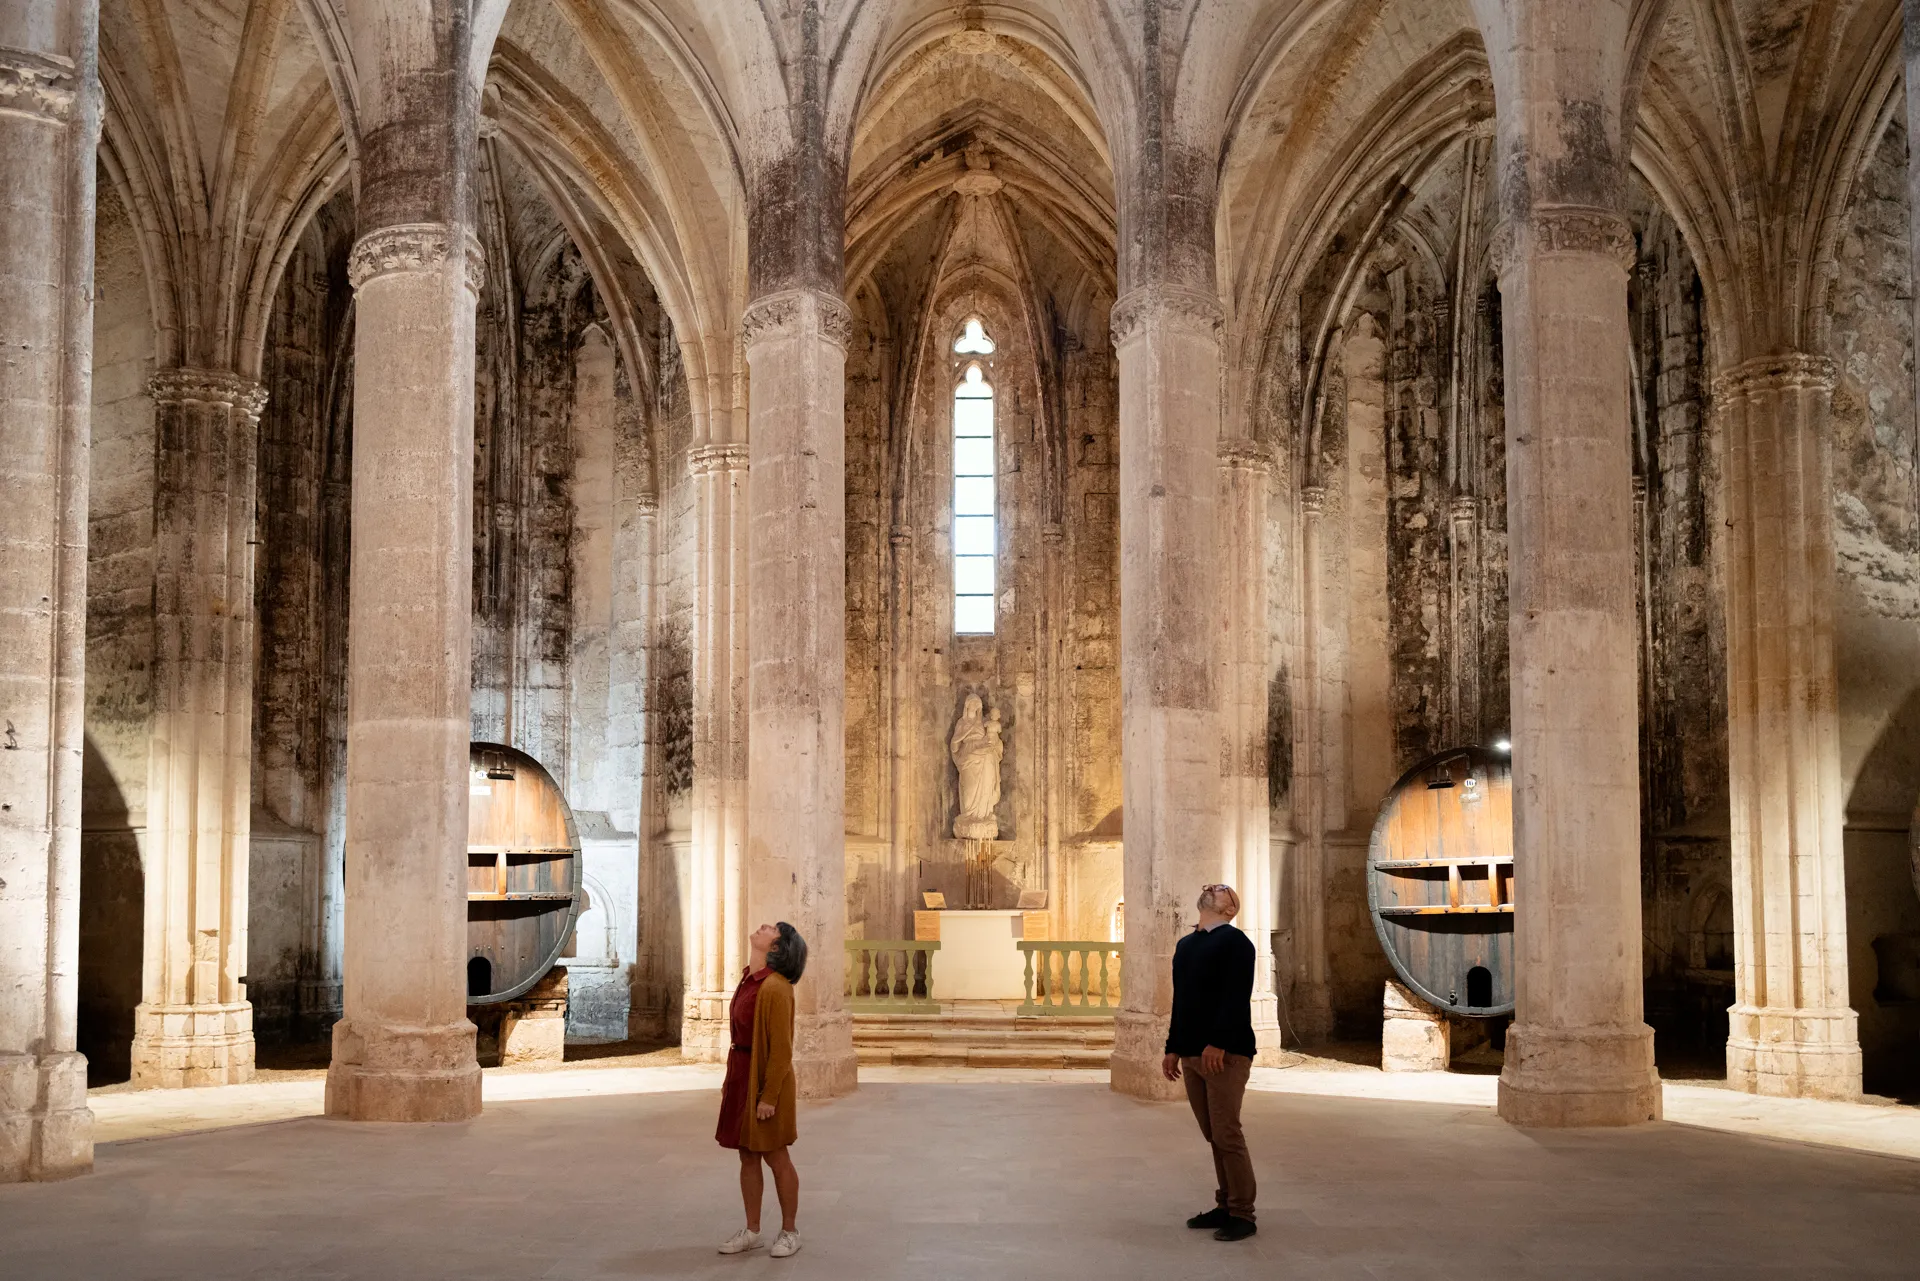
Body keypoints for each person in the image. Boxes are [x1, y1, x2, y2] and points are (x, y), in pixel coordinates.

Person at [1160, 883, 1258, 1242]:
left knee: (1227, 1133)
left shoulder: (1235, 942)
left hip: (1225, 1054)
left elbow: (1236, 997)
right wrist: (1173, 1047)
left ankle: (1243, 1213)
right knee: (1213, 1134)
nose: (1214, 887)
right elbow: (1182, 1000)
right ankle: (1225, 1205)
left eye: (1225, 890)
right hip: (1191, 1054)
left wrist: (1219, 1042)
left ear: (1231, 909)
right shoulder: (1187, 945)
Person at [715, 921, 807, 1259]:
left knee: (775, 1155)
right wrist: (731, 1081)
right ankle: (752, 1230)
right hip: (743, 1072)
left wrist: (768, 1097)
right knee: (747, 1153)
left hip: (768, 1079)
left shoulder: (776, 986)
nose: (765, 925)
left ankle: (789, 1231)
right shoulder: (748, 979)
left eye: (774, 929)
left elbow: (782, 1049)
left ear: (776, 948)